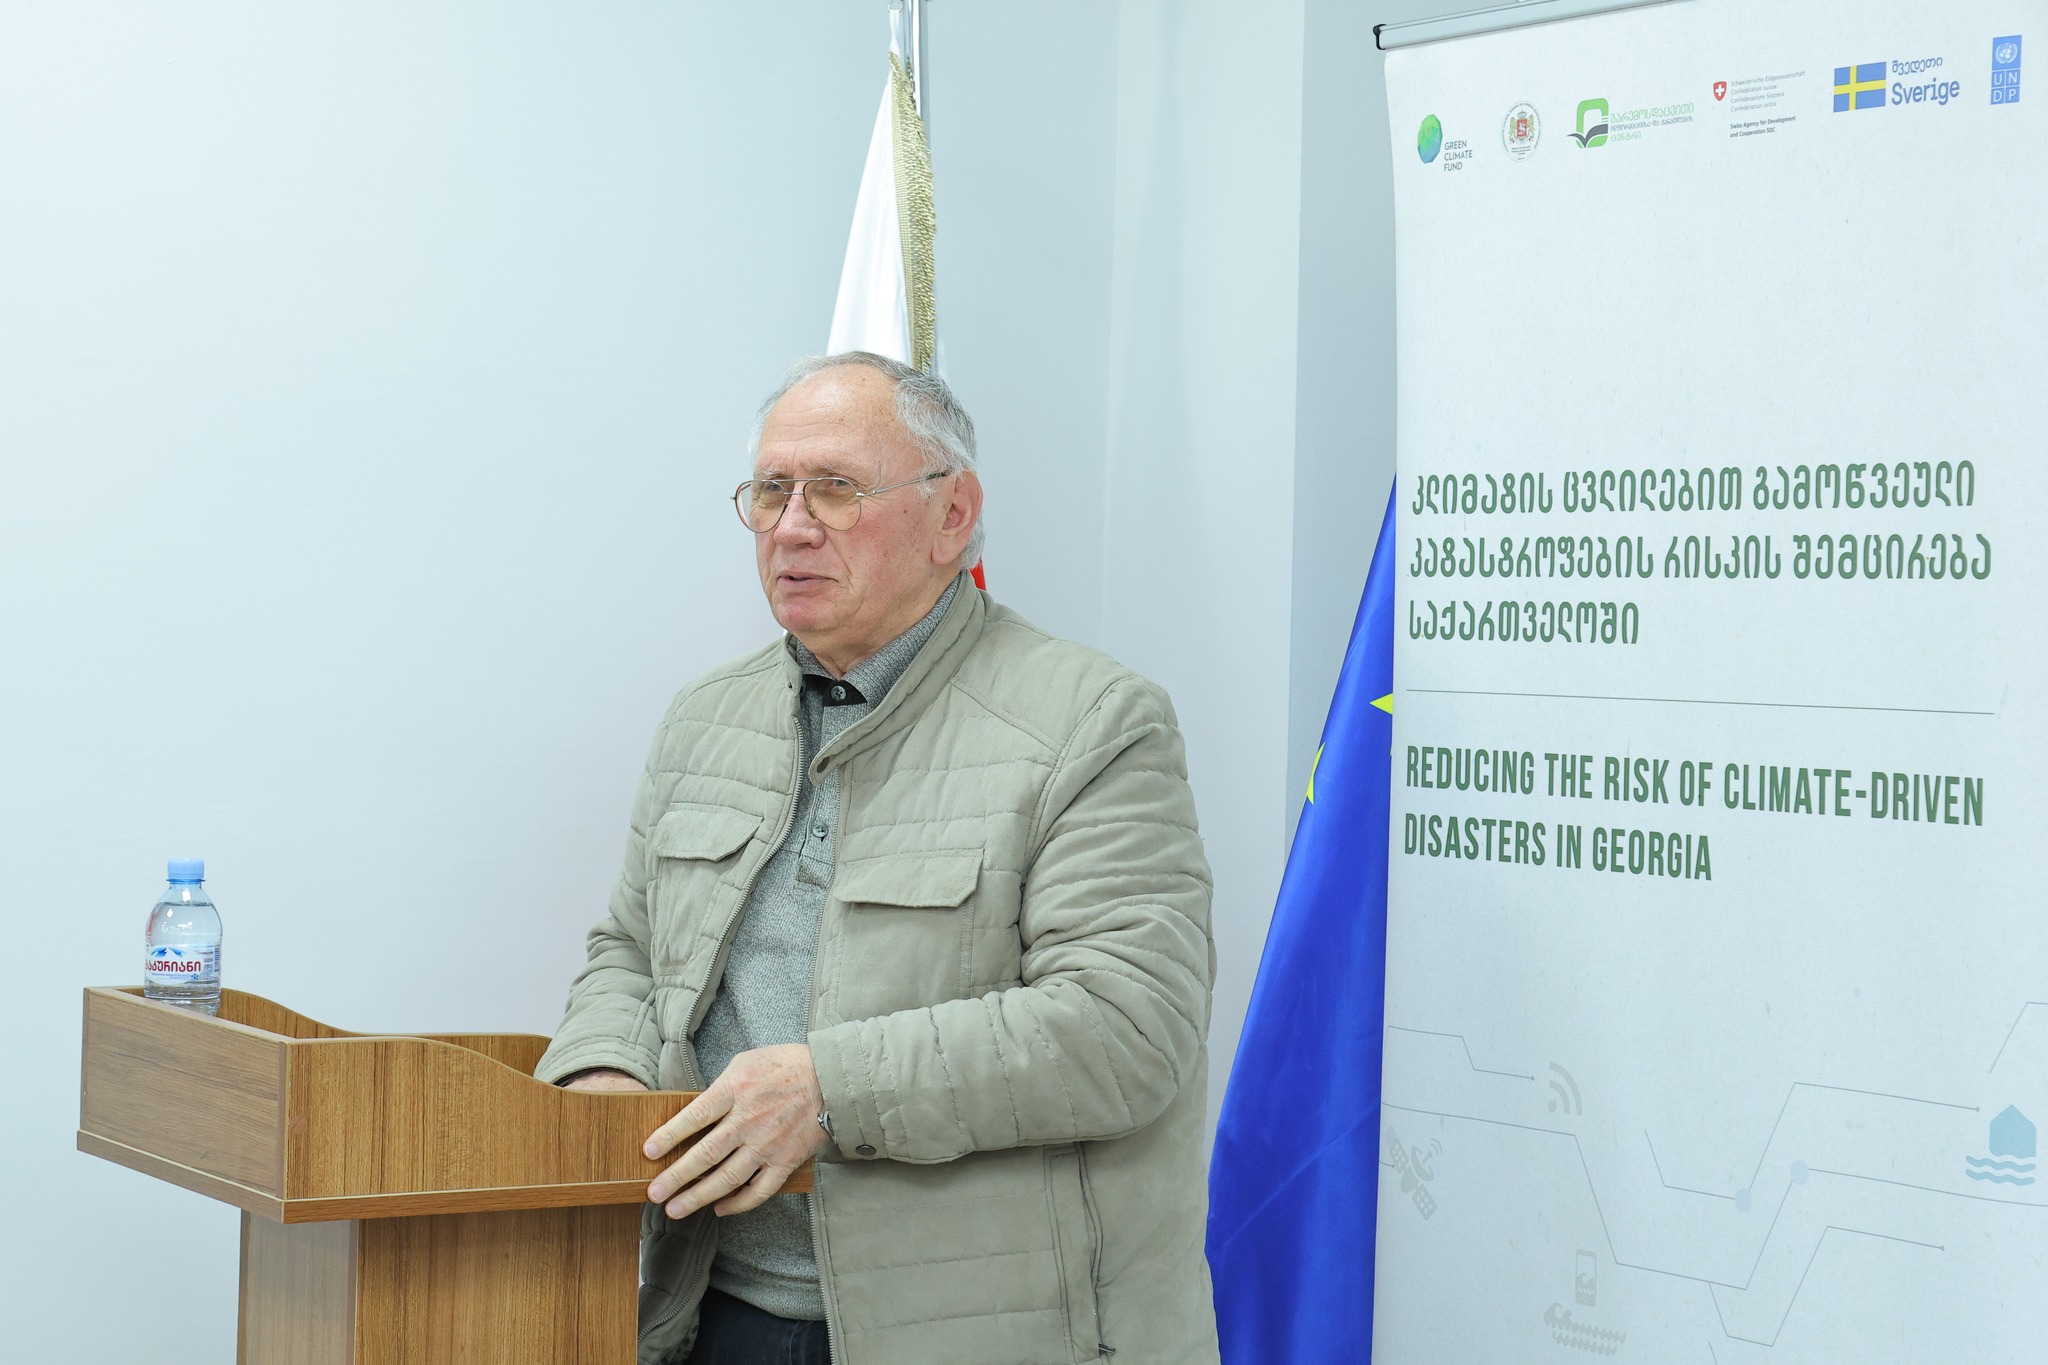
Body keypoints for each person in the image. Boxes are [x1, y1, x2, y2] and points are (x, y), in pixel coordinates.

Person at [536, 352, 1220, 1365]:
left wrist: (828, 1089)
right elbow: (632, 955)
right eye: (771, 490)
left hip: (983, 1337)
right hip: (711, 1312)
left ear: (953, 516)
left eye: (836, 489)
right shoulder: (705, 719)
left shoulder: (1091, 722)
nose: (791, 526)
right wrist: (602, 1074)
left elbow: (1123, 1028)